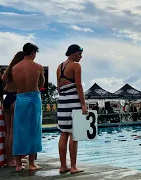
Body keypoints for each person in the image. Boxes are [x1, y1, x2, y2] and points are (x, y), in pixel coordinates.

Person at [12, 43, 44, 172]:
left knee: (19, 130)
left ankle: (18, 164)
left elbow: (14, 85)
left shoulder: (15, 68)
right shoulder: (38, 67)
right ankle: (31, 163)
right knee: (34, 130)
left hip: (20, 98)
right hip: (33, 98)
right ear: (32, 53)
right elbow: (41, 83)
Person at [56, 44, 87, 174]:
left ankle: (63, 166)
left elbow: (58, 88)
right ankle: (73, 166)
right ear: (73, 54)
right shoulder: (75, 66)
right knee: (74, 135)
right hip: (73, 102)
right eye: (79, 54)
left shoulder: (59, 67)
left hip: (62, 102)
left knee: (63, 133)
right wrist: (83, 104)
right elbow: (79, 86)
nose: (81, 57)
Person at [2, 51, 24, 167]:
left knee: (9, 131)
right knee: (15, 132)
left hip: (7, 99)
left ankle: (10, 159)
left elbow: (2, 87)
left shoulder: (7, 71)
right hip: (16, 99)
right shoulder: (19, 69)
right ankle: (14, 160)